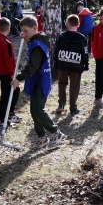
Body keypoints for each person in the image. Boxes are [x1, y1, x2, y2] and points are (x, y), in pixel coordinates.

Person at [11, 16, 65, 148]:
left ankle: (55, 132)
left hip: (41, 81)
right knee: (34, 110)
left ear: (35, 28)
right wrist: (27, 38)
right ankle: (42, 137)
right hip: (36, 81)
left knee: (38, 110)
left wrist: (18, 78)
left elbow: (33, 66)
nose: (23, 34)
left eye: (26, 31)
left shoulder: (38, 45)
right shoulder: (36, 40)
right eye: (22, 31)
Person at [53, 14, 89, 115]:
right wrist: (86, 64)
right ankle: (73, 108)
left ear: (68, 24)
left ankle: (61, 105)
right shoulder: (82, 38)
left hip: (63, 64)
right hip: (76, 65)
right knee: (74, 86)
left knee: (62, 84)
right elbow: (85, 52)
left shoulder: (61, 36)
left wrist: (56, 62)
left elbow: (56, 50)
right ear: (78, 24)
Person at [0, 17, 21, 127]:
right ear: (9, 29)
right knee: (10, 93)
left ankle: (9, 113)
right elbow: (9, 60)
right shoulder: (6, 42)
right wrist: (13, 75)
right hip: (6, 72)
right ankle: (3, 118)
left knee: (10, 92)